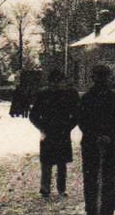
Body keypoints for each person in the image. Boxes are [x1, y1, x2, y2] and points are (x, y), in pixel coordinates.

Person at [77, 64, 115, 215]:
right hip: (91, 144)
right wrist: (96, 136)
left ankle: (106, 213)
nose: (101, 81)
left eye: (104, 77)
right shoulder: (87, 99)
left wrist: (109, 137)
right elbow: (82, 121)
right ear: (94, 79)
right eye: (99, 77)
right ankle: (92, 213)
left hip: (109, 144)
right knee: (92, 179)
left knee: (109, 179)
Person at [29, 68, 80, 198]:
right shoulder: (43, 95)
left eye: (59, 81)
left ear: (63, 82)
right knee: (46, 162)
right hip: (48, 132)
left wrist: (68, 127)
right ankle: (45, 188)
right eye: (53, 82)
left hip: (62, 132)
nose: (56, 84)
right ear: (49, 82)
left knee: (61, 163)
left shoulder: (68, 96)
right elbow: (33, 115)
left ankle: (61, 189)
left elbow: (76, 115)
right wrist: (42, 128)